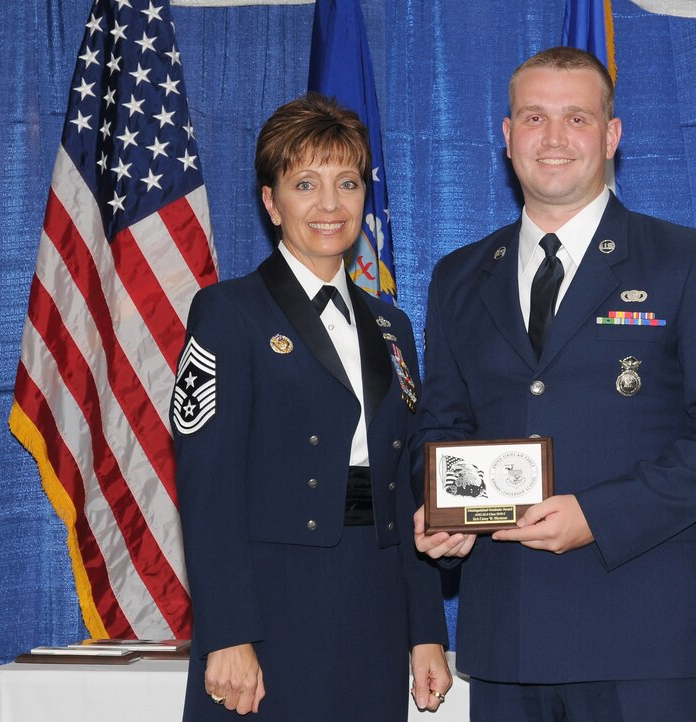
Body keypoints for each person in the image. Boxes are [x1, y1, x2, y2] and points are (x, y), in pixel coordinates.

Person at [413, 47, 696, 721]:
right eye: (534, 117)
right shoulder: (459, 277)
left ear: (611, 135)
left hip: (640, 642)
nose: (553, 139)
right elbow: (440, 424)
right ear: (507, 134)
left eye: (576, 118)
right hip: (506, 645)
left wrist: (599, 516)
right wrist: (445, 512)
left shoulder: (686, 261)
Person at [172, 93, 451, 721]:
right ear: (272, 202)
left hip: (375, 604)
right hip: (271, 606)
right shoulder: (229, 313)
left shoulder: (392, 326)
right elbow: (207, 485)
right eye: (306, 184)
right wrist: (226, 631)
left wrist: (426, 627)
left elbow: (405, 486)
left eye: (346, 183)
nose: (330, 205)